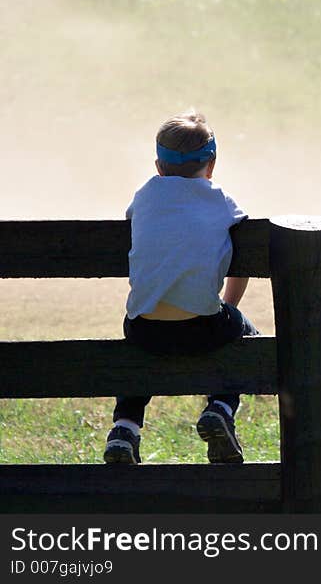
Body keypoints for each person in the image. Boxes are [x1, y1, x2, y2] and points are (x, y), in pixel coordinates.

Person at [103, 109, 258, 465]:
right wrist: (227, 307)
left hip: (144, 328)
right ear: (212, 164)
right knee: (245, 334)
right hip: (202, 327)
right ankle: (220, 407)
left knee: (139, 355)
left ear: (159, 166)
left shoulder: (144, 195)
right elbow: (244, 259)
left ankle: (125, 428)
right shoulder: (220, 200)